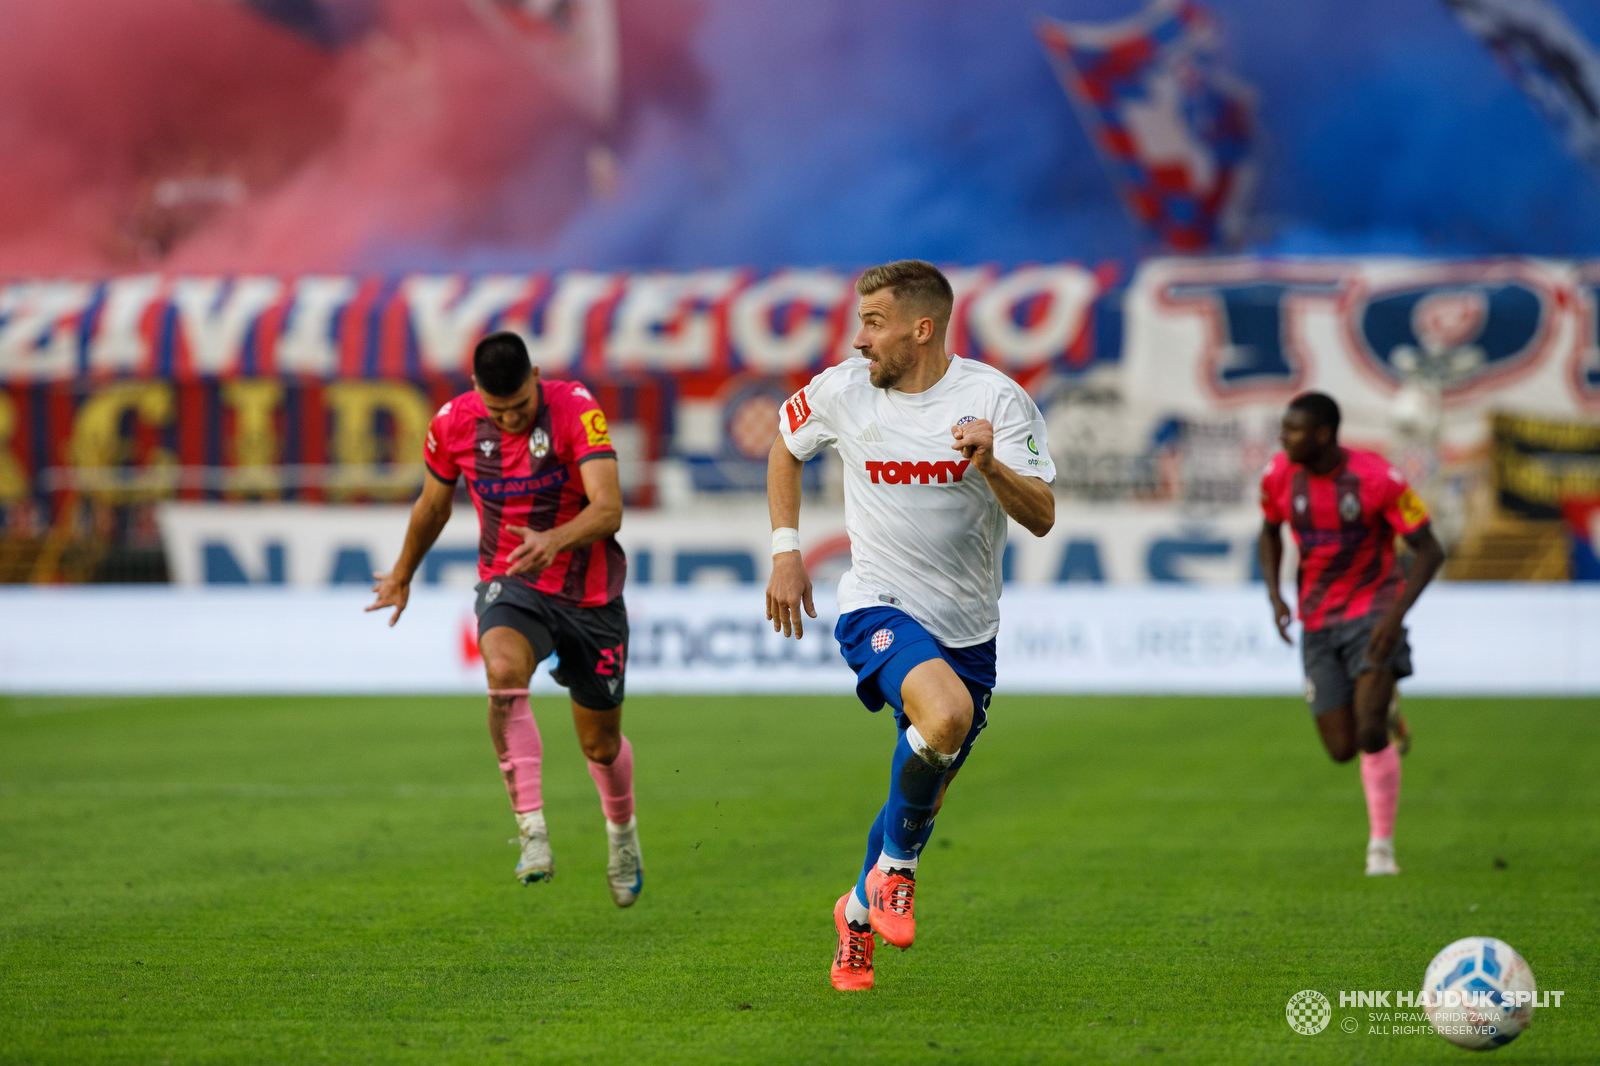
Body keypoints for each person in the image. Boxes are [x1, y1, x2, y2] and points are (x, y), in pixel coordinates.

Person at [765, 260, 1056, 991]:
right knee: (945, 716)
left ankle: (857, 911)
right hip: (878, 604)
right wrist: (786, 553)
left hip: (969, 631)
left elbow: (1043, 517)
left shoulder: (996, 399)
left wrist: (990, 465)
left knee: (920, 791)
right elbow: (785, 447)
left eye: (873, 323)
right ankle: (893, 876)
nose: (859, 340)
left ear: (920, 329)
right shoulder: (843, 391)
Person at [365, 331, 643, 907]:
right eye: (499, 410)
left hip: (589, 594)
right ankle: (533, 834)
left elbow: (609, 508)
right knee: (502, 674)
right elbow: (433, 507)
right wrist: (401, 573)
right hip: (510, 581)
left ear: (536, 377)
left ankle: (622, 837)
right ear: (475, 393)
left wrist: (556, 539)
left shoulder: (575, 408)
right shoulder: (451, 424)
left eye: (519, 405)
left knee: (600, 745)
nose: (511, 418)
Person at [1258, 391, 1444, 877]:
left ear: (1322, 434)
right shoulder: (1279, 475)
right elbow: (1268, 530)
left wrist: (1395, 615)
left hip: (1373, 613)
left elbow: (1429, 550)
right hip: (1317, 621)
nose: (1283, 436)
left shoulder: (1378, 478)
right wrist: (1275, 595)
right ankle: (1387, 711)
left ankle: (1380, 848)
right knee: (1341, 748)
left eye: (1292, 428)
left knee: (1367, 733)